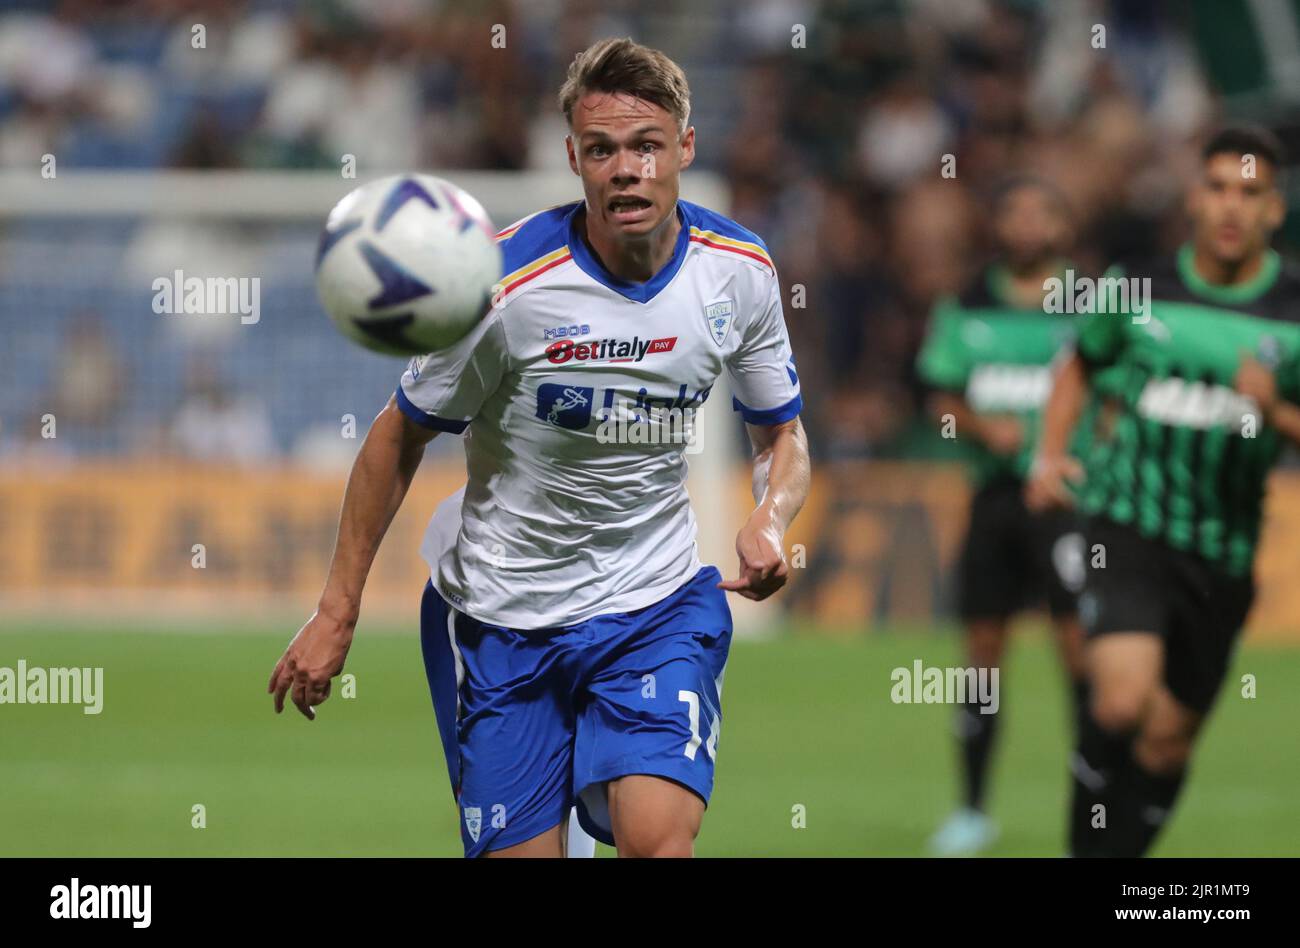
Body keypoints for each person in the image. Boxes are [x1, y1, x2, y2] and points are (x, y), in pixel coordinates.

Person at [268, 37, 810, 858]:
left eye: (645, 146)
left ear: (685, 149)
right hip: (504, 618)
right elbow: (396, 436)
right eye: (602, 150)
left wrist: (771, 518)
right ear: (574, 158)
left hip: (653, 604)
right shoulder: (502, 288)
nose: (624, 168)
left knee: (660, 842)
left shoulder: (738, 273)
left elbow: (783, 434)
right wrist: (337, 612)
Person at [1028, 125, 1300, 856]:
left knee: (1166, 745)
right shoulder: (1136, 285)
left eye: (1250, 192)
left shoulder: (1292, 313)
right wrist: (1049, 456)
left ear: (1275, 209)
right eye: (1217, 189)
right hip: (1128, 527)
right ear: (1193, 198)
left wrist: (1274, 411)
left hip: (1222, 552)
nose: (1231, 207)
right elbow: (1081, 364)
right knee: (1119, 701)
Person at [917, 177, 1089, 855]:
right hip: (994, 502)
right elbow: (941, 398)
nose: (1022, 224)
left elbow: (1113, 391)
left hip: (1069, 502)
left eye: (1036, 210)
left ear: (1059, 226)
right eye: (1011, 210)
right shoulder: (967, 302)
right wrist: (983, 430)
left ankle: (1095, 808)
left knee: (1081, 658)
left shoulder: (1090, 303)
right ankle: (972, 811)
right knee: (982, 659)